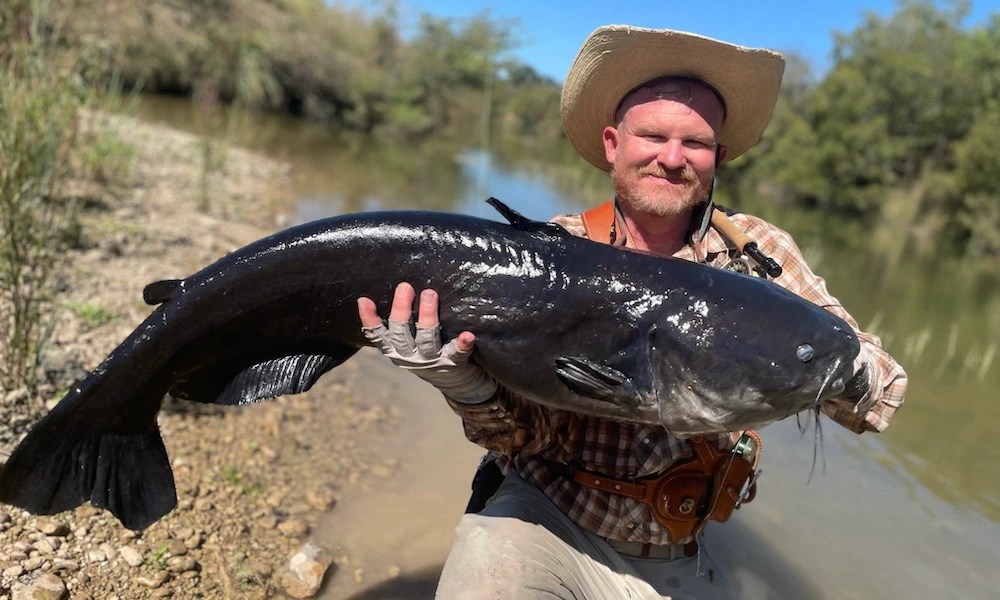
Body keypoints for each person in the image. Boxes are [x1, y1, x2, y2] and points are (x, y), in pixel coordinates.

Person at [357, 25, 907, 599]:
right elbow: (516, 436)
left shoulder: (757, 254)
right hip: (545, 519)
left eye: (694, 143)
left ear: (717, 157)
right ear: (613, 144)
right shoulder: (555, 251)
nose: (672, 159)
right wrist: (463, 385)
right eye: (653, 136)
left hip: (677, 548)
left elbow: (885, 392)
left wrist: (836, 368)